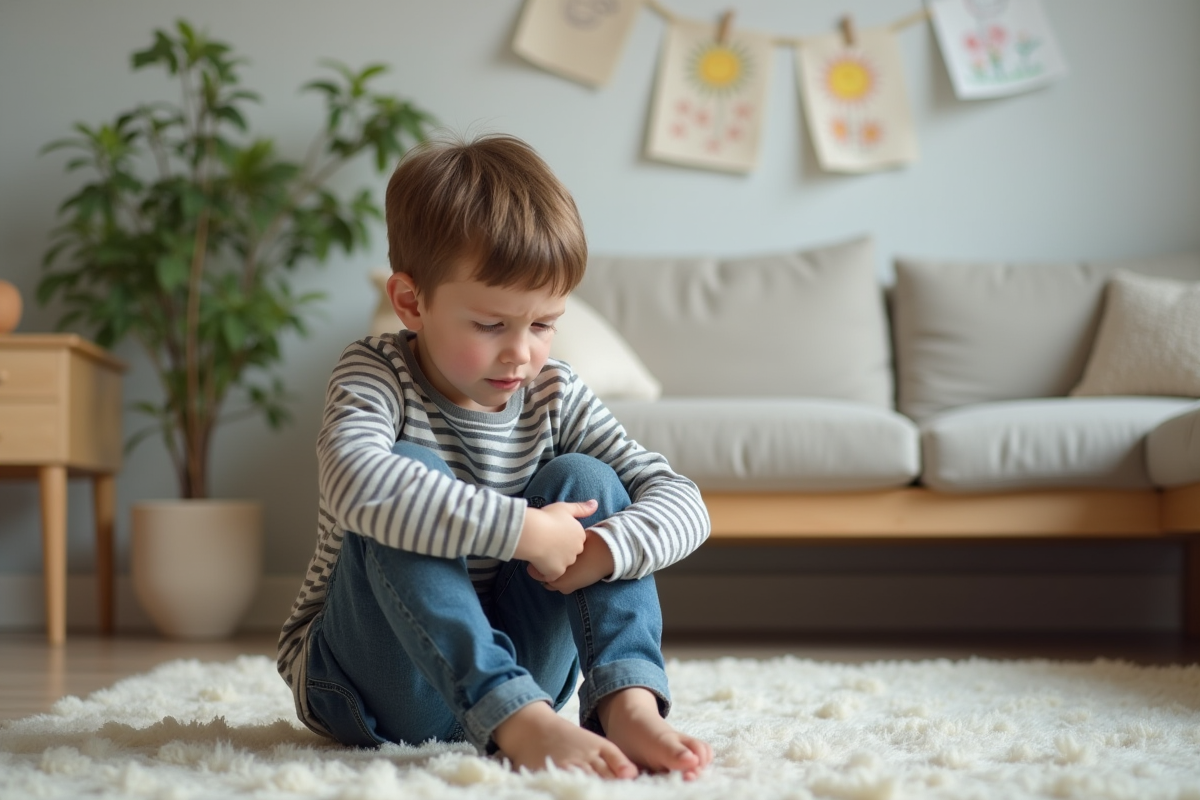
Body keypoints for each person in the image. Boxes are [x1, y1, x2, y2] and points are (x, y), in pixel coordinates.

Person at [277, 133, 713, 779]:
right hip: (369, 683)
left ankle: (626, 702)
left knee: (589, 478)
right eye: (491, 325)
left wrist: (605, 548)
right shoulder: (375, 373)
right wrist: (525, 530)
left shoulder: (556, 392)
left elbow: (683, 502)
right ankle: (515, 719)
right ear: (411, 303)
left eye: (542, 324)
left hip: (523, 666)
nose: (520, 353)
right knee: (405, 471)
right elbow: (355, 482)